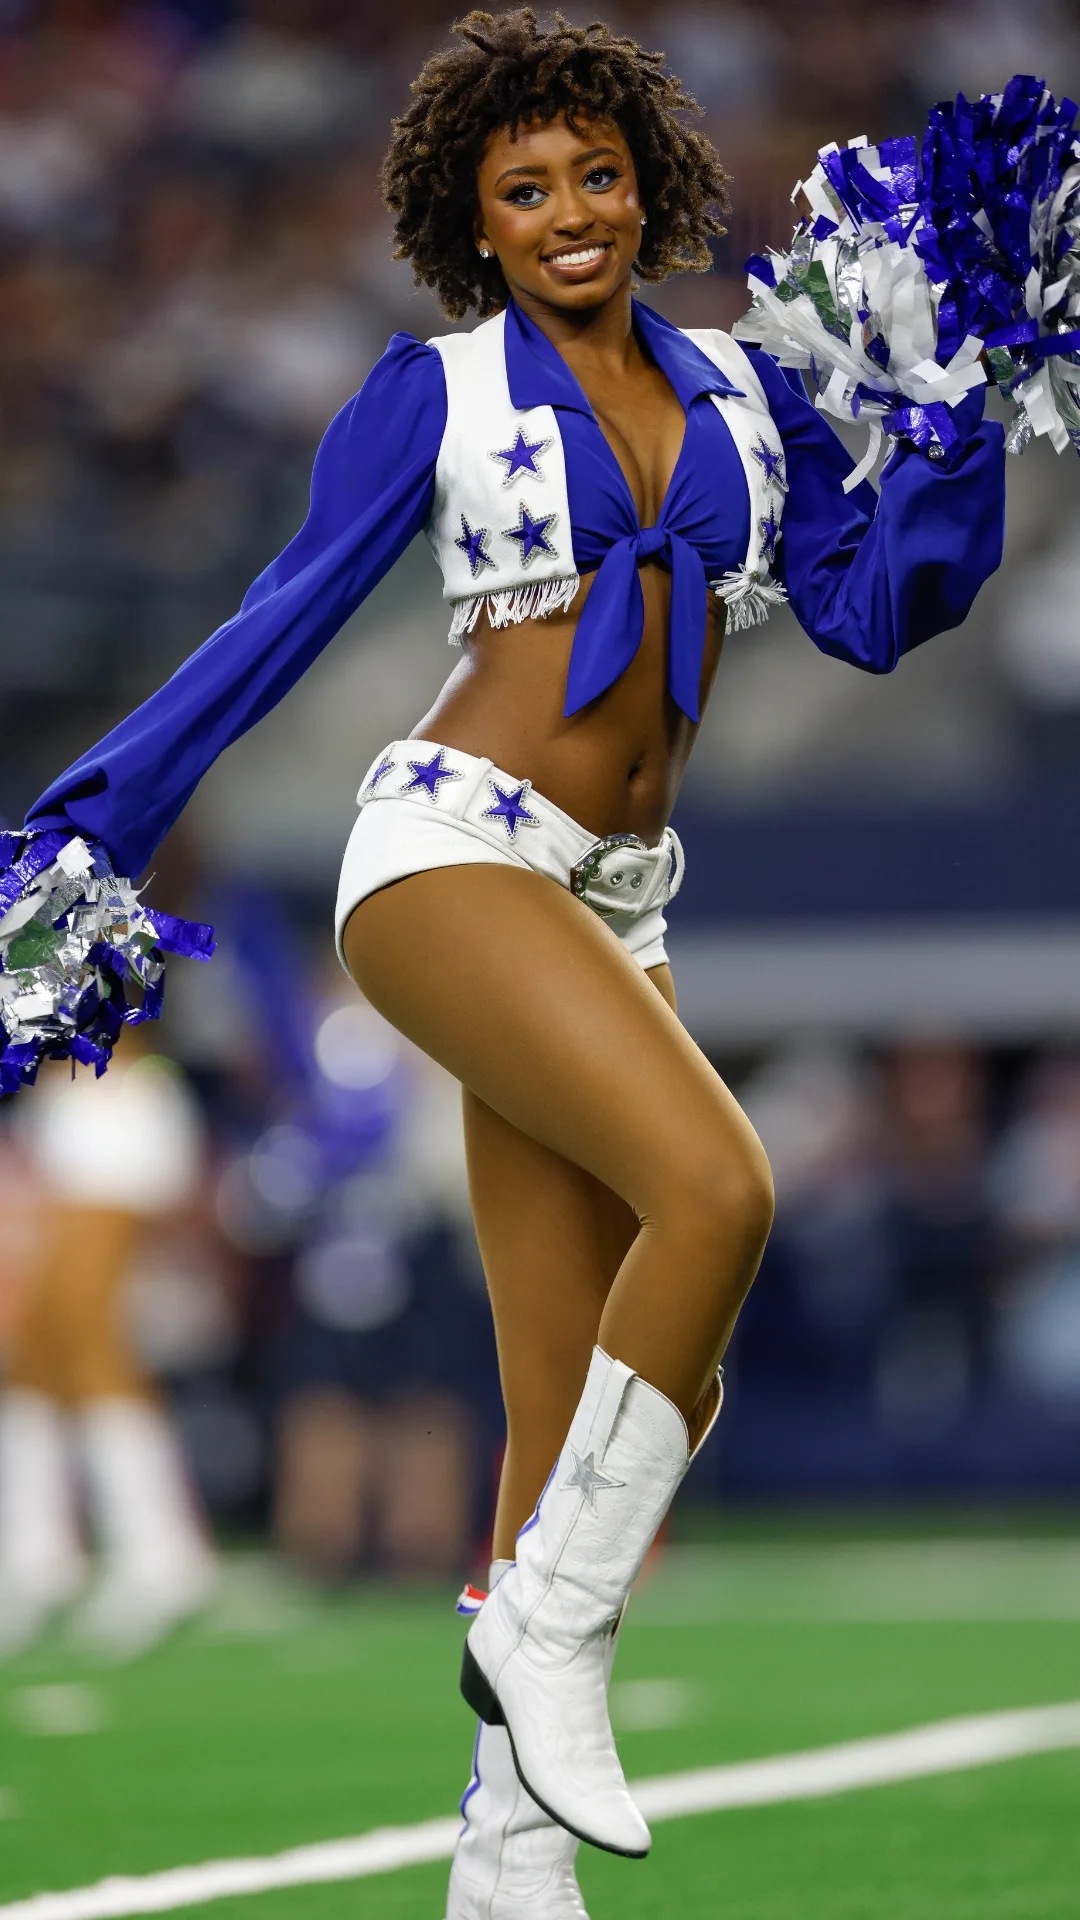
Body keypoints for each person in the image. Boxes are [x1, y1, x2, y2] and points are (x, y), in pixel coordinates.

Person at [9, 9, 1005, 1915]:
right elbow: (279, 618)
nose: (569, 212)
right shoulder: (436, 388)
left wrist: (958, 410)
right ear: (473, 216)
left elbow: (879, 606)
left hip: (618, 897)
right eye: (523, 187)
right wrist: (95, 822)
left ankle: (504, 1862)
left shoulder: (736, 392)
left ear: (653, 183)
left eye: (598, 176)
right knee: (718, 1188)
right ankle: (541, 1636)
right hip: (449, 852)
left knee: (584, 1408)